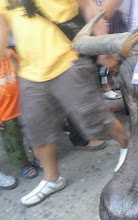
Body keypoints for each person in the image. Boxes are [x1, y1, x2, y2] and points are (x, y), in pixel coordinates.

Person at [0, 0, 128, 206]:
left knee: (93, 118)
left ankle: (127, 146)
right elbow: (2, 31)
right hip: (30, 72)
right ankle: (52, 179)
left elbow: (89, 7)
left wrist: (103, 46)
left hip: (68, 60)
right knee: (37, 127)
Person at [0, 40, 38, 181]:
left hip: (23, 105)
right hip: (4, 114)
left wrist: (10, 57)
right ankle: (23, 164)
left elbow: (22, 72)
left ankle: (38, 157)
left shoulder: (9, 53)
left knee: (34, 134)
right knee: (13, 141)